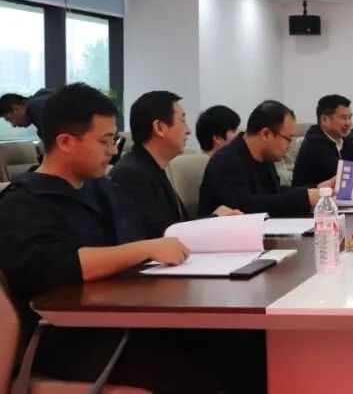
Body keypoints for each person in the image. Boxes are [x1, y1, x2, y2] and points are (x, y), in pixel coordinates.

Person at [0, 83, 265, 392]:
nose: (113, 151)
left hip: (127, 316)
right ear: (66, 142)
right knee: (209, 364)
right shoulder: (24, 203)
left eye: (113, 140)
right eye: (105, 141)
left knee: (247, 340)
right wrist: (143, 249)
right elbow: (58, 266)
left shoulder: (102, 188)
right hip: (74, 337)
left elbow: (148, 235)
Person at [111, 91, 238, 238]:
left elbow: (175, 224)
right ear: (159, 128)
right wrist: (213, 220)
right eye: (182, 121)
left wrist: (214, 219)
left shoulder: (151, 166)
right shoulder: (131, 175)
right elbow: (159, 234)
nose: (188, 131)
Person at [198, 100, 335, 217]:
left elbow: (274, 193)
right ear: (265, 134)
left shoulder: (265, 157)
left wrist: (316, 189)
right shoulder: (226, 161)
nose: (290, 146)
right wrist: (304, 198)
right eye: (288, 139)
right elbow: (245, 207)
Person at [292, 94, 353, 187]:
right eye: (344, 118)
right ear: (325, 119)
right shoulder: (315, 143)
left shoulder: (343, 139)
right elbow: (345, 174)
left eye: (350, 117)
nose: (348, 123)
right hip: (309, 195)